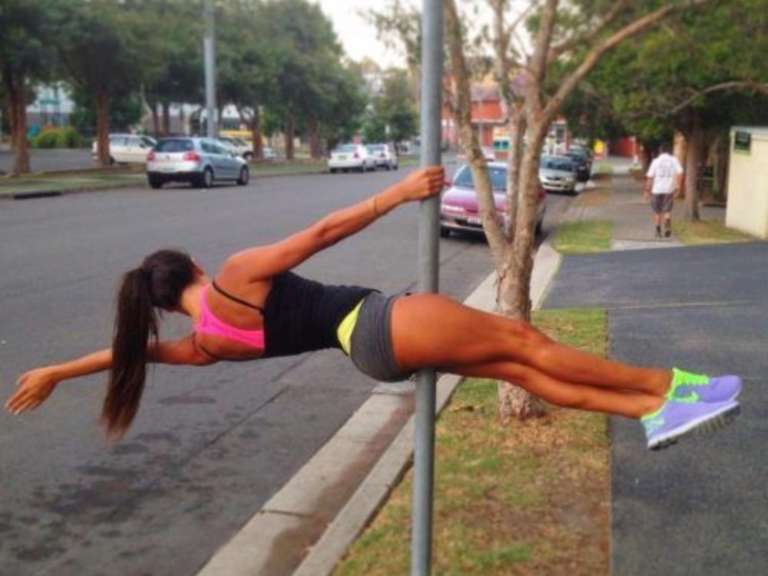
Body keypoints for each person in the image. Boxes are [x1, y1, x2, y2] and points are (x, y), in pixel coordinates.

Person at [5, 167, 741, 450]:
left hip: (369, 356)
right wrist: (397, 193)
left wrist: (58, 371)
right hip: (378, 322)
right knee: (526, 342)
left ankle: (652, 410)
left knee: (520, 365)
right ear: (192, 267)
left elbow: (129, 355)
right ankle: (673, 389)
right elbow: (324, 232)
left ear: (164, 304)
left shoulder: (206, 343)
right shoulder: (232, 275)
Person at [644, 143, 685, 238]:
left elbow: (650, 177)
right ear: (669, 151)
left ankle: (658, 231)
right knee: (667, 210)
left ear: (660, 151)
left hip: (656, 189)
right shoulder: (674, 160)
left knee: (657, 211)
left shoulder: (656, 161)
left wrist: (647, 190)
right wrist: (678, 186)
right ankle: (667, 224)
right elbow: (680, 172)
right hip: (669, 189)